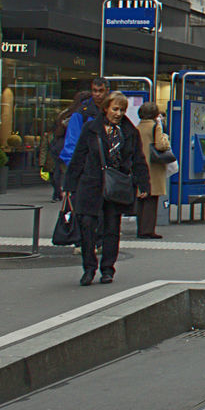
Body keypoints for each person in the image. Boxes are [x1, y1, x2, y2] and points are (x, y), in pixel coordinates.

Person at [62, 92, 149, 286]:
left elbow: (138, 159)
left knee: (111, 228)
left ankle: (108, 269)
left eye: (122, 110)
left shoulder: (129, 131)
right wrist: (69, 185)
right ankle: (89, 267)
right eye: (115, 109)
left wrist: (143, 183)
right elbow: (79, 157)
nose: (118, 113)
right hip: (91, 184)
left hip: (116, 185)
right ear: (106, 108)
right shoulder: (91, 129)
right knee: (86, 226)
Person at [134, 102, 170, 239]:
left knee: (141, 200)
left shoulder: (137, 127)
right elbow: (161, 145)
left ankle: (140, 228)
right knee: (151, 200)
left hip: (140, 165)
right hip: (153, 166)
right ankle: (148, 230)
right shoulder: (156, 126)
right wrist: (165, 138)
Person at [59, 77, 108, 172]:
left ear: (107, 91)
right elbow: (72, 142)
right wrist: (75, 168)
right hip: (87, 168)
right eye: (95, 91)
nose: (97, 94)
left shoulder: (112, 112)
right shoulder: (81, 113)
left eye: (101, 91)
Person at [49, 91, 90, 201]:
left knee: (58, 170)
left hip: (58, 145)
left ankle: (58, 192)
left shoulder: (65, 112)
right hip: (66, 145)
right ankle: (63, 191)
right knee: (64, 171)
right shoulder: (79, 114)